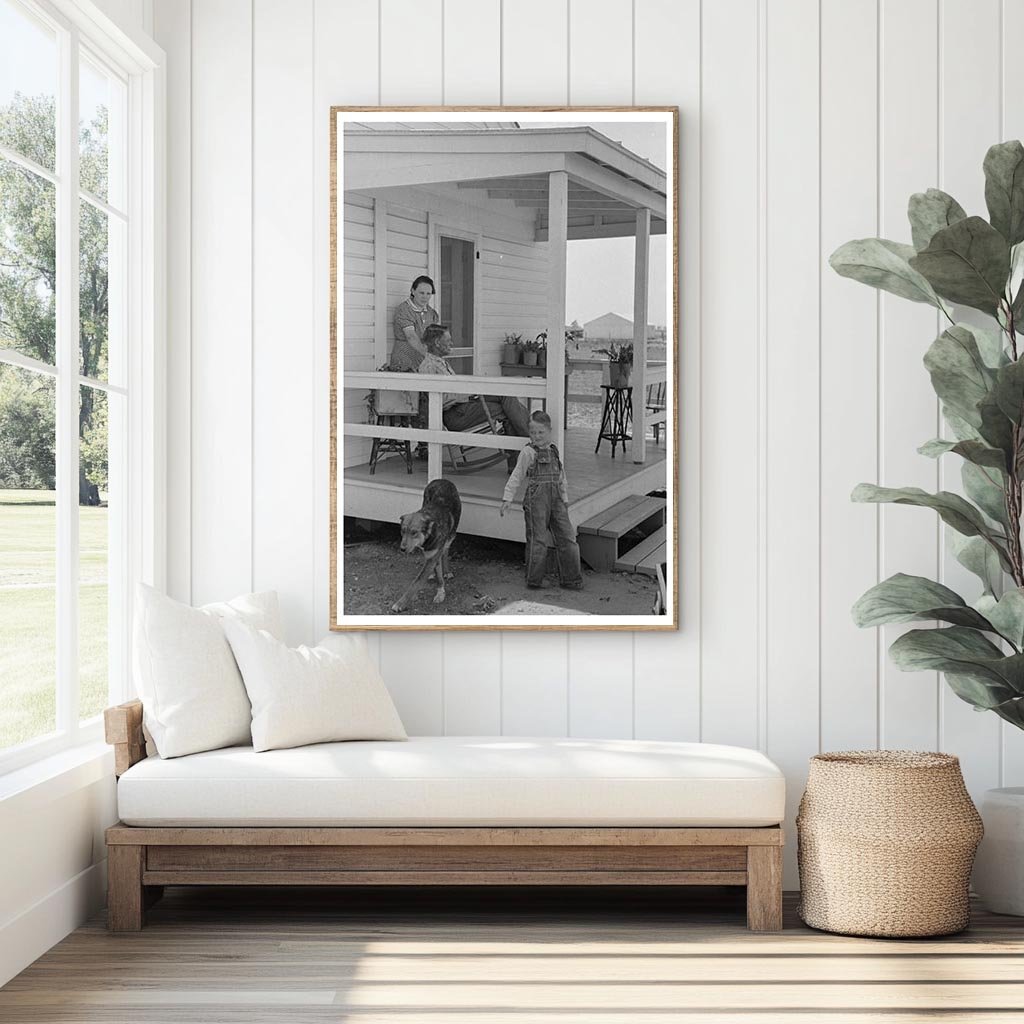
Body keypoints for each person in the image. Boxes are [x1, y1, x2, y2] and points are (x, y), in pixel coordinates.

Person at [416, 325, 532, 463]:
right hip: (455, 414)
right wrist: (468, 393)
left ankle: (526, 449)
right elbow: (438, 400)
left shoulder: (441, 362)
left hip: (465, 406)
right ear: (437, 342)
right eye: (448, 340)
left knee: (507, 397)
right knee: (508, 409)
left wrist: (470, 391)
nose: (451, 344)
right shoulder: (428, 367)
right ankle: (531, 445)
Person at [500, 410, 584, 590]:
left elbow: (561, 476)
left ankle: (571, 578)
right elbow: (517, 475)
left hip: (557, 500)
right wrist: (508, 497)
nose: (536, 436)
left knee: (567, 537)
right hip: (536, 502)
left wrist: (565, 497)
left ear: (549, 431)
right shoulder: (528, 452)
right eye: (533, 432)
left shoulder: (554, 450)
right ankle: (534, 579)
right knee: (538, 540)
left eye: (540, 432)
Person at [391, 275, 440, 371]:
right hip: (404, 362)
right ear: (413, 291)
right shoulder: (404, 310)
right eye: (421, 293)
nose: (425, 297)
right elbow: (411, 336)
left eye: (428, 294)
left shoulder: (431, 313)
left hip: (423, 363)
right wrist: (429, 356)